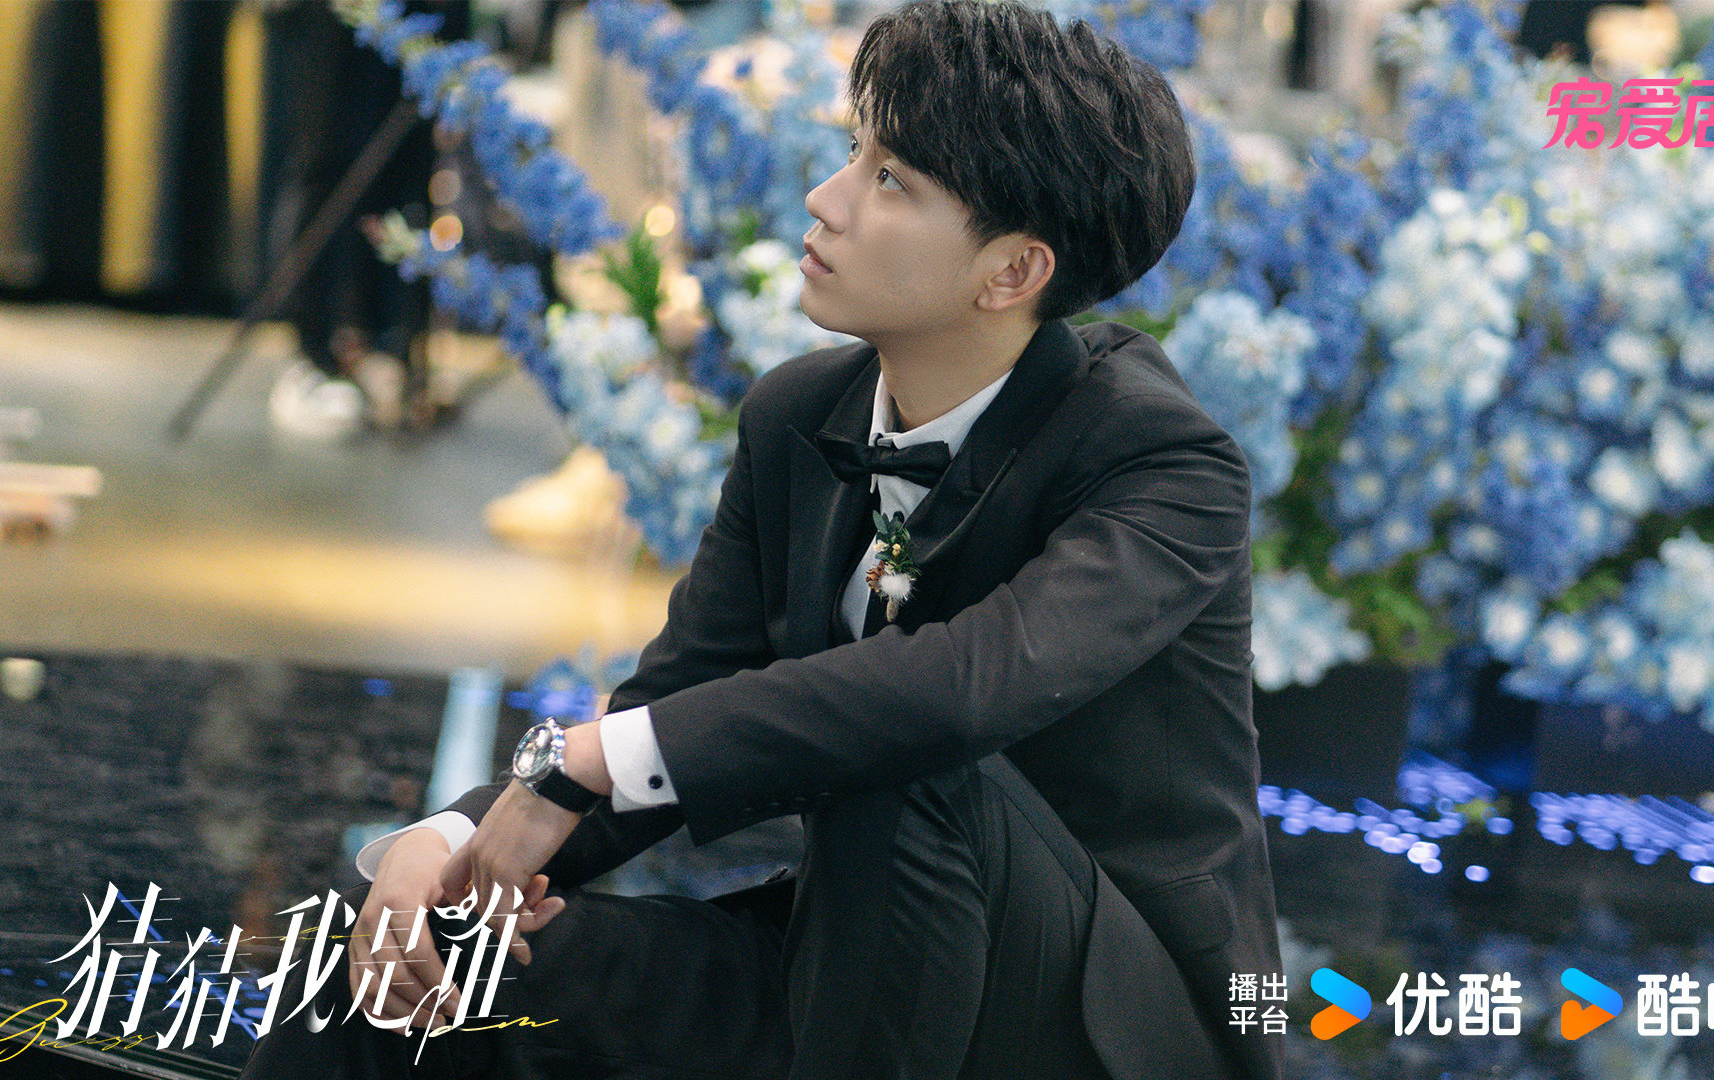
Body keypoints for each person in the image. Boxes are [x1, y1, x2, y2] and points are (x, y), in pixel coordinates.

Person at [240, 2, 1283, 1077]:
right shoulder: (800, 416)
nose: (824, 198)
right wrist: (452, 841)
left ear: (1013, 272)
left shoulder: (1161, 460)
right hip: (857, 960)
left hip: (1104, 1022)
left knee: (910, 753)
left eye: (891, 181)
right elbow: (682, 691)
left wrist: (591, 758)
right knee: (384, 947)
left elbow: (963, 690)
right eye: (854, 152)